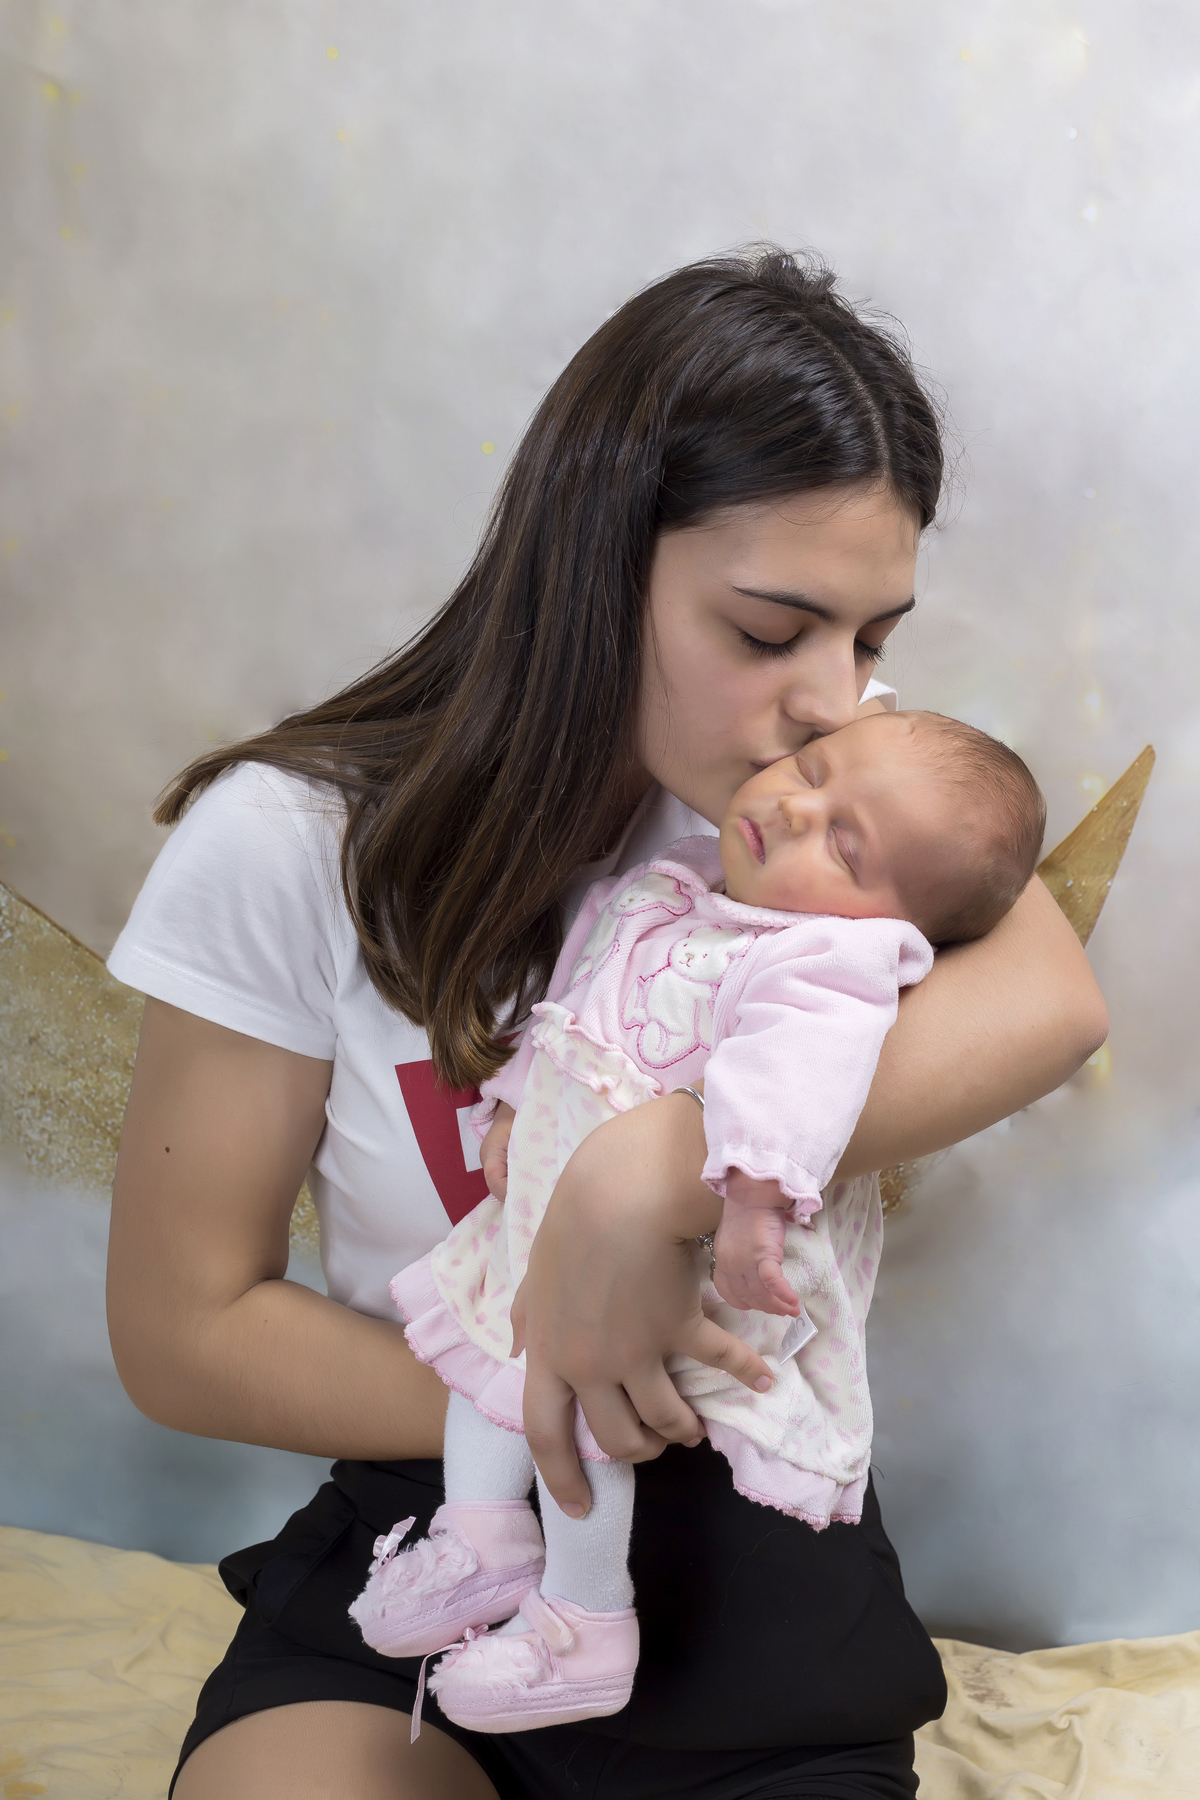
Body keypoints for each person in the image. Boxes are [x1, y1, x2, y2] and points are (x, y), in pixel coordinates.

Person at [106, 248, 1107, 1800]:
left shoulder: (836, 830)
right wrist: (542, 1379)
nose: (839, 703)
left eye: (876, 638)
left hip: (762, 1590)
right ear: (591, 567)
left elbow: (1053, 997)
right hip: (448, 1529)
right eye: (771, 631)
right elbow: (184, 1332)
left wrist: (660, 1168)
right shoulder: (288, 843)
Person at [349, 710, 1047, 1737]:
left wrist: (751, 1204)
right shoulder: (676, 883)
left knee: (592, 1409)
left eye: (843, 846)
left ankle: (584, 1623)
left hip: (682, 1271)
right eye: (811, 771)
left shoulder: (825, 963)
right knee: (490, 1347)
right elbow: (577, 997)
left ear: (892, 918)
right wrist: (508, 1101)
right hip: (543, 1223)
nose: (797, 806)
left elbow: (792, 1095)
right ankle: (483, 1534)